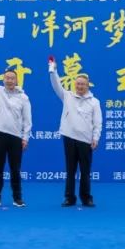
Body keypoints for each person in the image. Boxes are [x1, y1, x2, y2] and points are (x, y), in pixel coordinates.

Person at [0, 50, 32, 207]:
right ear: (3, 79)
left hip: (16, 138)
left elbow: (27, 120)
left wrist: (25, 138)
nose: (9, 80)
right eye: (7, 78)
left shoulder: (23, 97)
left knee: (15, 169)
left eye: (12, 78)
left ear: (17, 80)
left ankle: (17, 198)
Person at [49, 60, 101, 207]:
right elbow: (56, 85)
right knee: (70, 170)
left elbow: (98, 122)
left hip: (86, 140)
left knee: (85, 171)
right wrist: (53, 71)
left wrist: (95, 138)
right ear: (74, 84)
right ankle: (69, 197)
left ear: (88, 85)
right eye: (78, 84)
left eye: (83, 84)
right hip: (69, 138)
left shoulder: (94, 102)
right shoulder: (67, 96)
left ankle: (86, 198)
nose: (80, 86)